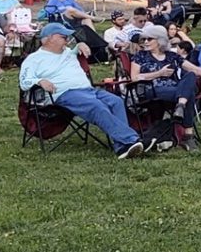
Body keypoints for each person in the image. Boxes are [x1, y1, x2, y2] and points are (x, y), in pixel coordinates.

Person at [19, 22, 144, 155]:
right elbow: (24, 81)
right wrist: (39, 81)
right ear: (49, 39)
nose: (67, 40)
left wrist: (80, 44)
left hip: (88, 90)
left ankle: (122, 146)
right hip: (64, 94)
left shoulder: (68, 52)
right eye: (63, 37)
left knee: (116, 101)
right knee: (96, 106)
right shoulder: (34, 59)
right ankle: (132, 140)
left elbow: (78, 48)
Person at [130, 24, 201, 147]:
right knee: (189, 94)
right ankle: (188, 135)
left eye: (149, 39)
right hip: (153, 90)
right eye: (144, 39)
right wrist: (159, 73)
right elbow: (135, 77)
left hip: (174, 89)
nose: (145, 42)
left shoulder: (171, 56)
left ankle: (180, 105)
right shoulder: (140, 56)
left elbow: (195, 69)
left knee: (190, 75)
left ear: (160, 40)